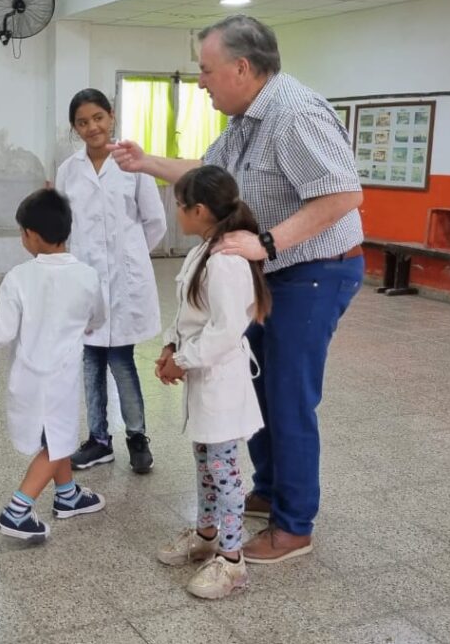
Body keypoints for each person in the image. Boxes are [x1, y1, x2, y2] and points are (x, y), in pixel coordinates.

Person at [111, 15, 364, 563]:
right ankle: (269, 491)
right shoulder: (247, 119)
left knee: (290, 399)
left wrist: (267, 242)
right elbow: (209, 172)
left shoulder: (294, 115)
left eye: (206, 69)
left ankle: (294, 527)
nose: (201, 81)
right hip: (274, 271)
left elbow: (343, 195)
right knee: (260, 389)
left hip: (312, 270)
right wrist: (146, 161)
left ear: (242, 67)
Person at [0, 189, 107, 541]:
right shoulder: (87, 275)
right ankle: (17, 511)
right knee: (58, 439)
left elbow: (2, 329)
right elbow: (97, 317)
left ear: (32, 235)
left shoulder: (19, 277)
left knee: (57, 437)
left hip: (28, 376)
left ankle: (67, 496)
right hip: (62, 378)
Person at [154, 166, 271, 599]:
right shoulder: (202, 250)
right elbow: (186, 310)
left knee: (224, 473)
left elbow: (225, 331)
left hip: (219, 381)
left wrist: (183, 360)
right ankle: (205, 537)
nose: (177, 212)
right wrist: (169, 346)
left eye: (180, 205)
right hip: (202, 378)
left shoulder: (225, 263)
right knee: (205, 463)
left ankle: (233, 560)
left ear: (199, 210)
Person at [55, 88, 167, 474]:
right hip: (84, 282)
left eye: (98, 118)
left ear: (112, 117)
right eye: (83, 122)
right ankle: (99, 439)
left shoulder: (132, 163)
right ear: (75, 127)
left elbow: (155, 222)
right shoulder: (68, 170)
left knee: (121, 361)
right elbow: (64, 228)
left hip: (124, 283)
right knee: (89, 362)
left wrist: (130, 257)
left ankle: (137, 436)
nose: (92, 127)